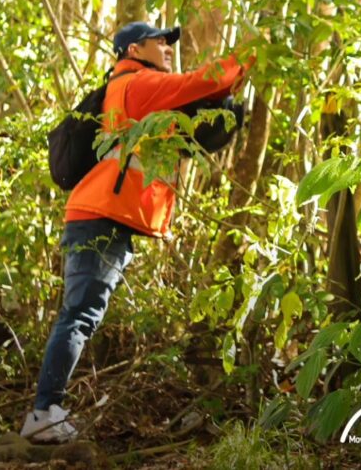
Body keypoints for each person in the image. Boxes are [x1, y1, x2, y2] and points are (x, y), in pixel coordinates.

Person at [20, 23, 252, 442]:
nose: (167, 47)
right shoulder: (137, 84)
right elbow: (198, 82)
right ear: (133, 49)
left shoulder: (142, 94)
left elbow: (194, 127)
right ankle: (43, 412)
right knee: (79, 315)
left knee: (81, 314)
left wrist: (228, 105)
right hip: (98, 216)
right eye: (159, 41)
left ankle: (47, 409)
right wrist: (251, 54)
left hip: (105, 216)